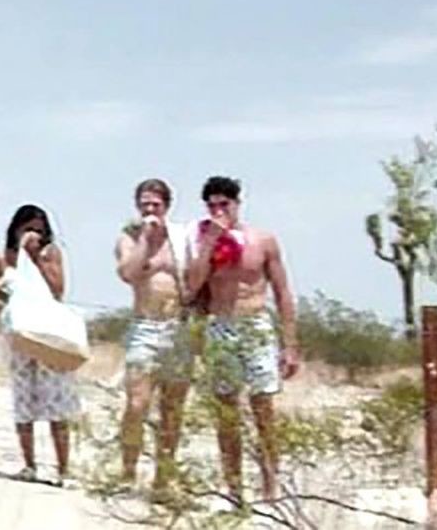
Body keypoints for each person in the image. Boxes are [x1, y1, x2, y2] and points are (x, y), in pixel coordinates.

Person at [183, 175, 300, 506]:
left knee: (263, 408)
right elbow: (192, 286)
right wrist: (210, 243)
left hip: (255, 325)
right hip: (221, 325)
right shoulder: (201, 242)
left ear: (237, 204)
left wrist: (290, 344)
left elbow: (282, 291)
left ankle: (270, 486)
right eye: (213, 206)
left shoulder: (262, 240)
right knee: (226, 411)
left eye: (225, 204)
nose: (219, 211)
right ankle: (234, 488)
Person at [0, 203, 80, 487]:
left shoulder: (51, 254)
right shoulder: (4, 257)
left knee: (56, 400)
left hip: (49, 332)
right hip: (18, 333)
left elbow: (58, 290)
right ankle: (29, 464)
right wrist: (11, 297)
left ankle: (63, 469)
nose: (33, 235)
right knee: (23, 397)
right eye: (28, 229)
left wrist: (36, 258)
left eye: (39, 230)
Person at [114, 178, 196, 496]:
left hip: (178, 327)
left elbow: (195, 277)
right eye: (145, 204)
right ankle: (127, 472)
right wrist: (147, 240)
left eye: (156, 204)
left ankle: (163, 478)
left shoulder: (182, 239)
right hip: (145, 326)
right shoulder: (129, 238)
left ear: (167, 206)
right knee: (137, 403)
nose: (150, 209)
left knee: (172, 408)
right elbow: (128, 273)